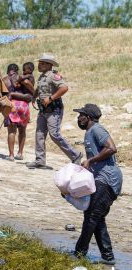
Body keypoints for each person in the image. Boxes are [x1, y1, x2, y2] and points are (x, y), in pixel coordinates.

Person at [72, 104, 122, 265]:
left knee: (92, 216)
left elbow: (112, 148)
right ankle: (108, 257)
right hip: (100, 178)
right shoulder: (89, 132)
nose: (78, 118)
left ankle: (79, 253)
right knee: (97, 217)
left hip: (108, 180)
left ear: (88, 117)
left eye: (81, 115)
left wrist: (91, 160)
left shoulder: (97, 130)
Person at [26, 53, 82, 169]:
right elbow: (39, 88)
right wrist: (34, 96)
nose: (39, 66)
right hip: (43, 110)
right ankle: (40, 160)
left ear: (48, 65)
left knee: (54, 134)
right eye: (39, 63)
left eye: (42, 64)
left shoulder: (53, 76)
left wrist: (51, 98)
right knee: (39, 134)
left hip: (54, 110)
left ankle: (75, 155)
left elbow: (64, 88)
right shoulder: (42, 76)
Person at [4, 62, 35, 161]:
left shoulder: (5, 79)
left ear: (8, 71)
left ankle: (11, 155)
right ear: (17, 70)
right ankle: (20, 153)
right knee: (22, 130)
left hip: (12, 105)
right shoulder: (24, 78)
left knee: (11, 131)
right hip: (24, 106)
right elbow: (29, 90)